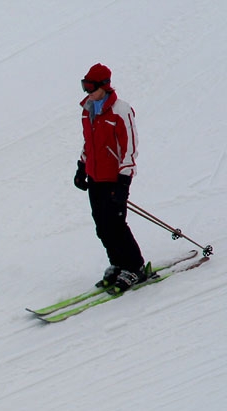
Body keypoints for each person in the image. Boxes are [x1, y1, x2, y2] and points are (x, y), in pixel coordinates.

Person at [73, 63, 149, 292]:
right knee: (102, 226)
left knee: (116, 224)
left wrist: (124, 182)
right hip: (96, 177)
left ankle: (135, 267)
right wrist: (81, 167)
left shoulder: (121, 110)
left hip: (115, 179)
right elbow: (90, 143)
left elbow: (130, 148)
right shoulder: (88, 110)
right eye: (84, 86)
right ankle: (117, 264)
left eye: (91, 87)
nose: (87, 92)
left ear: (105, 86)